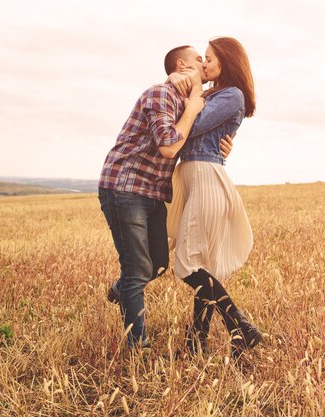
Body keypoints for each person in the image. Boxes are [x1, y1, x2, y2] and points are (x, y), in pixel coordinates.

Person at [97, 45, 205, 349]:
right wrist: (193, 108)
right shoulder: (161, 94)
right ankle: (138, 348)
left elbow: (192, 143)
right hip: (125, 186)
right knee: (137, 268)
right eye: (199, 58)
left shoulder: (186, 102)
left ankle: (121, 289)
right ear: (182, 65)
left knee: (157, 264)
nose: (204, 62)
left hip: (153, 192)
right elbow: (169, 146)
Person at [166, 37, 262, 359]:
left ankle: (241, 327)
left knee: (188, 265)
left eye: (208, 58)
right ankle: (196, 342)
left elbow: (189, 129)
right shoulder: (212, 94)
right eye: (202, 59)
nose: (204, 64)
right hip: (198, 178)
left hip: (206, 178)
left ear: (226, 61)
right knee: (202, 265)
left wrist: (192, 98)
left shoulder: (231, 95)